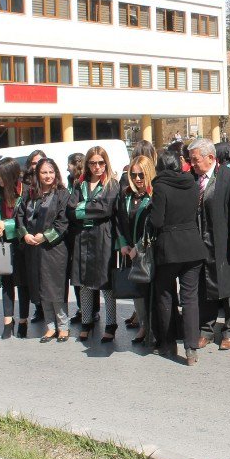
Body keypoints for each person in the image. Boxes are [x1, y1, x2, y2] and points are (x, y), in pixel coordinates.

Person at [188, 138, 230, 350]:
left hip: (225, 242)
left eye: (195, 160)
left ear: (211, 157)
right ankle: (206, 329)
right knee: (204, 286)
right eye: (191, 160)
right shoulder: (191, 179)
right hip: (200, 243)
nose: (192, 164)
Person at [149, 149, 206, 364]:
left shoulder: (160, 186)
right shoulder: (192, 183)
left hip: (168, 248)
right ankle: (191, 350)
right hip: (192, 245)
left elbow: (156, 221)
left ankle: (168, 344)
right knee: (190, 299)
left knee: (166, 297)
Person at [68, 146, 120, 342]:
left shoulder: (111, 184)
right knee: (84, 283)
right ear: (87, 164)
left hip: (103, 237)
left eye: (100, 162)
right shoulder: (79, 185)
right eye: (93, 163)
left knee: (105, 283)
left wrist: (84, 208)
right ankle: (86, 321)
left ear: (105, 163)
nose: (97, 167)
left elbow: (105, 209)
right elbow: (71, 210)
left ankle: (111, 323)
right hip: (82, 237)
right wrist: (90, 207)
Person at [17, 158, 72, 343]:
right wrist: (25, 234)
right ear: (38, 175)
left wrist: (45, 236)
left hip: (54, 248)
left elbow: (63, 221)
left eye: (51, 172)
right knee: (40, 287)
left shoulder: (62, 194)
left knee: (55, 288)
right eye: (44, 172)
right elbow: (20, 216)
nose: (48, 176)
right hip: (33, 248)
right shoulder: (30, 194)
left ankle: (63, 326)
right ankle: (50, 326)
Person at [117, 154, 155, 346]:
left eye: (141, 174)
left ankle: (154, 327)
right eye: (134, 175)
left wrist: (138, 248)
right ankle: (143, 325)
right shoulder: (126, 195)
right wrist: (123, 243)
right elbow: (119, 221)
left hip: (149, 253)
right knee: (138, 292)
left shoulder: (154, 194)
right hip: (130, 250)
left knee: (152, 291)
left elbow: (154, 228)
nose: (138, 179)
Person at [0, 157, 29, 339]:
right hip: (2, 243)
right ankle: (8, 321)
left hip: (22, 243)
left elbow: (28, 219)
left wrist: (7, 225)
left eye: (0, 173)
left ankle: (23, 320)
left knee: (22, 284)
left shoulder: (25, 191)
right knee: (6, 283)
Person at [25, 149, 48, 324]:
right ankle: (38, 307)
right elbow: (20, 214)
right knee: (33, 277)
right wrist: (25, 233)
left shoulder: (55, 187)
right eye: (34, 163)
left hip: (47, 238)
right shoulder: (26, 186)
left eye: (40, 162)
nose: (37, 166)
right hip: (30, 238)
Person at [65, 152, 85, 325]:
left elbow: (74, 207)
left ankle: (89, 310)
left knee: (84, 275)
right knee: (76, 274)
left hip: (82, 232)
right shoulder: (70, 182)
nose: (67, 168)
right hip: (71, 233)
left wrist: (74, 209)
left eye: (69, 164)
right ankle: (82, 308)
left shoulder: (83, 183)